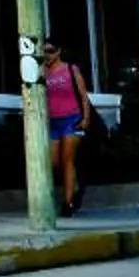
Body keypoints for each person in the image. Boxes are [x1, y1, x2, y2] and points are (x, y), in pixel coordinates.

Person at [42, 40, 91, 216]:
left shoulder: (70, 69)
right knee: (53, 162)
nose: (47, 55)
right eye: (44, 51)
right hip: (52, 121)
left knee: (67, 159)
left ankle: (68, 202)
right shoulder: (42, 72)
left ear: (59, 51)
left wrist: (86, 118)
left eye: (51, 51)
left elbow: (83, 96)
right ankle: (74, 184)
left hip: (72, 119)